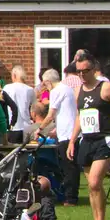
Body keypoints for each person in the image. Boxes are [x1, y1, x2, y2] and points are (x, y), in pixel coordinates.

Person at [71, 59, 110, 220]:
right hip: (86, 140)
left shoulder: (106, 88)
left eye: (85, 71)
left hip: (104, 139)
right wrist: (72, 140)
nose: (82, 75)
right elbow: (79, 117)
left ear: (94, 70)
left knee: (94, 182)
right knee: (93, 188)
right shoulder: (77, 91)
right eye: (79, 72)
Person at [45, 67, 79, 206]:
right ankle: (70, 195)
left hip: (66, 134)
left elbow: (51, 114)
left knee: (68, 167)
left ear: (48, 81)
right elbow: (65, 113)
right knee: (71, 166)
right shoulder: (67, 89)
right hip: (69, 131)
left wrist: (40, 129)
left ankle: (70, 198)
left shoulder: (55, 91)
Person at [2, 66, 36, 145]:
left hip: (12, 126)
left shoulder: (7, 88)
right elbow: (34, 108)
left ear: (14, 75)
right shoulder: (30, 89)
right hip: (26, 126)